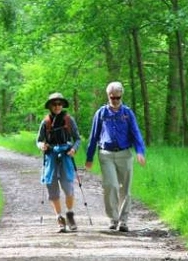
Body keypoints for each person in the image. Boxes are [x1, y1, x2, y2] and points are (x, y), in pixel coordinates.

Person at [85, 81, 146, 232]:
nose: (115, 101)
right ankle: (113, 218)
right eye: (113, 98)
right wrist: (89, 157)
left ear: (121, 96)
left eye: (118, 97)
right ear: (108, 96)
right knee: (110, 186)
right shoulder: (101, 113)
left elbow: (136, 133)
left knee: (125, 189)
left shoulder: (127, 113)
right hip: (106, 154)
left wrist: (140, 151)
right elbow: (93, 136)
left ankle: (123, 221)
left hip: (124, 154)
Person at [36, 92, 81, 232]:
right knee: (52, 189)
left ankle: (69, 214)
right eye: (54, 104)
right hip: (51, 158)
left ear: (62, 105)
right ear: (50, 106)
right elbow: (38, 140)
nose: (57, 106)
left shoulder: (69, 120)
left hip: (66, 157)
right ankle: (59, 218)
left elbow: (77, 139)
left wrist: (74, 149)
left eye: (59, 104)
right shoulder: (46, 122)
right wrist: (41, 146)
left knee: (68, 189)